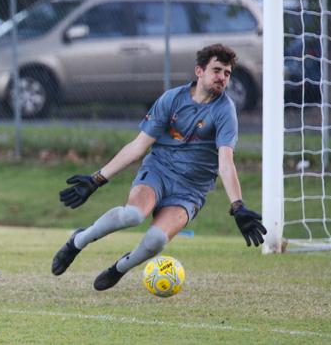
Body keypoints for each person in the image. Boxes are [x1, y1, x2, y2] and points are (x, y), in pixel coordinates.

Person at [51, 44, 266, 291]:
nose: (222, 77)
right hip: (158, 172)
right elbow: (138, 146)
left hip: (190, 190)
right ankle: (78, 241)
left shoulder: (225, 111)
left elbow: (225, 162)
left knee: (155, 241)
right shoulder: (172, 99)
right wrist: (97, 179)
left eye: (227, 73)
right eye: (216, 70)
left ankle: (119, 268)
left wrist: (237, 206)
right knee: (132, 215)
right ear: (199, 71)